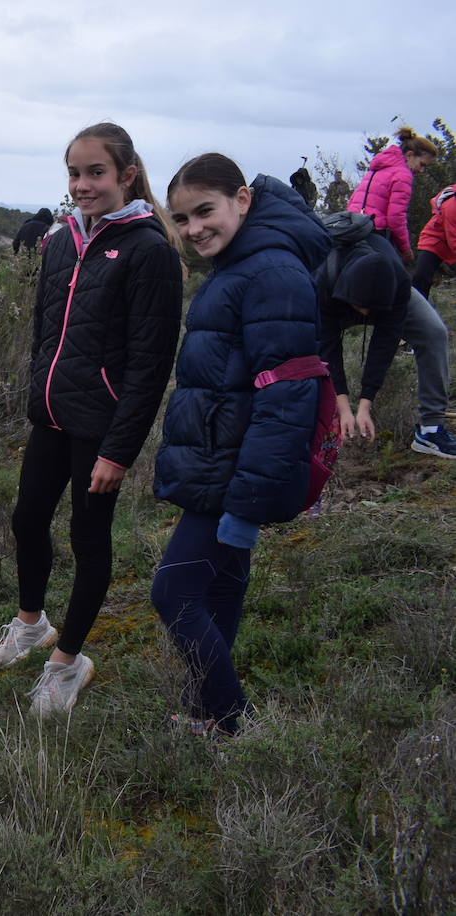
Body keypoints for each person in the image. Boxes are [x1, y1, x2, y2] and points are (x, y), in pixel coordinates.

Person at [0, 122, 183, 717]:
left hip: (101, 425)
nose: (82, 184)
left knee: (88, 540)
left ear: (126, 175)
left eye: (95, 172)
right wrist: (37, 393)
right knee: (26, 520)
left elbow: (150, 364)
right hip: (51, 414)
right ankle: (31, 623)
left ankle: (69, 662)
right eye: (74, 173)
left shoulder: (150, 250)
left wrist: (119, 450)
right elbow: (46, 330)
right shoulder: (61, 239)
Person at [153, 155, 329, 736]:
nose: (195, 228)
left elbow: (288, 398)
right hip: (219, 462)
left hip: (232, 473)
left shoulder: (270, 272)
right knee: (220, 588)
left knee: (175, 592)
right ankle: (208, 715)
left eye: (206, 211)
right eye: (182, 218)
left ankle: (234, 721)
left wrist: (246, 505)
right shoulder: (238, 266)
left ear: (243, 200)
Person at [316, 217, 413, 445]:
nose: (365, 314)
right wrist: (343, 407)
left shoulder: (400, 283)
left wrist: (364, 404)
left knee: (434, 332)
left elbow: (385, 342)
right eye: (362, 308)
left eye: (370, 310)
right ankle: (316, 422)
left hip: (388, 298)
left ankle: (430, 428)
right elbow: (328, 346)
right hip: (336, 297)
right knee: (300, 340)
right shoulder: (323, 281)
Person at [347, 126, 438, 265]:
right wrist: (405, 249)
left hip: (352, 226)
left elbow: (353, 199)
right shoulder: (403, 175)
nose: (422, 170)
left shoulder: (378, 167)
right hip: (374, 231)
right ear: (410, 155)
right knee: (399, 278)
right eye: (421, 164)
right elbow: (396, 218)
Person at [413, 184, 456, 300]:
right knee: (421, 280)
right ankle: (415, 312)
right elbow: (454, 241)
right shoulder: (452, 206)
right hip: (433, 242)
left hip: (448, 243)